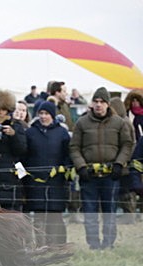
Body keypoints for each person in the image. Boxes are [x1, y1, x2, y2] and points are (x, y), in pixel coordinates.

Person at [69, 87, 134, 250]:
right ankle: (93, 244)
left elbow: (127, 144)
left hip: (110, 175)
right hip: (89, 176)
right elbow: (74, 147)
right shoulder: (82, 123)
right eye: (96, 101)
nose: (98, 105)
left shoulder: (119, 123)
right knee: (90, 213)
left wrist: (119, 164)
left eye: (102, 102)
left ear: (107, 104)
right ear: (92, 103)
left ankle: (108, 243)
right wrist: (81, 166)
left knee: (109, 212)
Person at [22, 101, 72, 246]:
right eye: (41, 114)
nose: (43, 117)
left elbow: (67, 155)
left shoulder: (62, 133)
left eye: (46, 114)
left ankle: (58, 246)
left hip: (56, 182)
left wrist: (65, 171)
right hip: (35, 182)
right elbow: (23, 157)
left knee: (55, 217)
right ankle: (40, 246)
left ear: (52, 115)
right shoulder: (30, 132)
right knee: (38, 217)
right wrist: (24, 177)